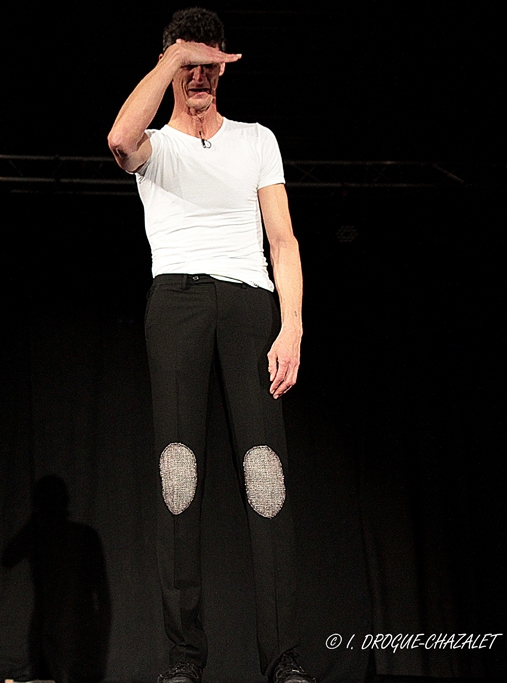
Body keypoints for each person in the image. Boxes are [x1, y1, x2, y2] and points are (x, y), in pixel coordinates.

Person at [107, 8, 314, 683]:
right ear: (170, 64)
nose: (199, 74)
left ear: (224, 65)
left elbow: (282, 240)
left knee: (265, 476)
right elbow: (118, 137)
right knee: (179, 475)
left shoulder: (256, 140)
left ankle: (282, 659)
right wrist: (171, 58)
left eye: (210, 61)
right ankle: (183, 659)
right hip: (177, 303)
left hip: (249, 303)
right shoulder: (156, 146)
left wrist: (293, 324)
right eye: (187, 61)